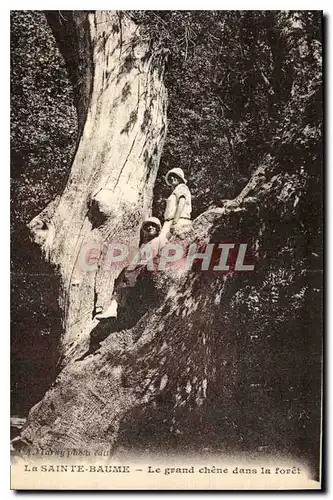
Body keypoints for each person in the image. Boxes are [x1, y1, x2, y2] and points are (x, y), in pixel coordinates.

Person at [95, 217, 166, 320]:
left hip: (148, 269)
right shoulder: (144, 244)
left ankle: (114, 306)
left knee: (127, 275)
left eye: (153, 225)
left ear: (158, 229)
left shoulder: (160, 240)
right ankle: (113, 307)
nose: (150, 227)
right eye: (147, 225)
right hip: (137, 271)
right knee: (123, 276)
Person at [160, 167, 192, 240]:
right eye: (171, 176)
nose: (172, 178)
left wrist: (175, 222)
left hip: (178, 221)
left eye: (175, 176)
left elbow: (181, 204)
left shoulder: (182, 187)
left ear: (181, 178)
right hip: (170, 222)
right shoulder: (175, 191)